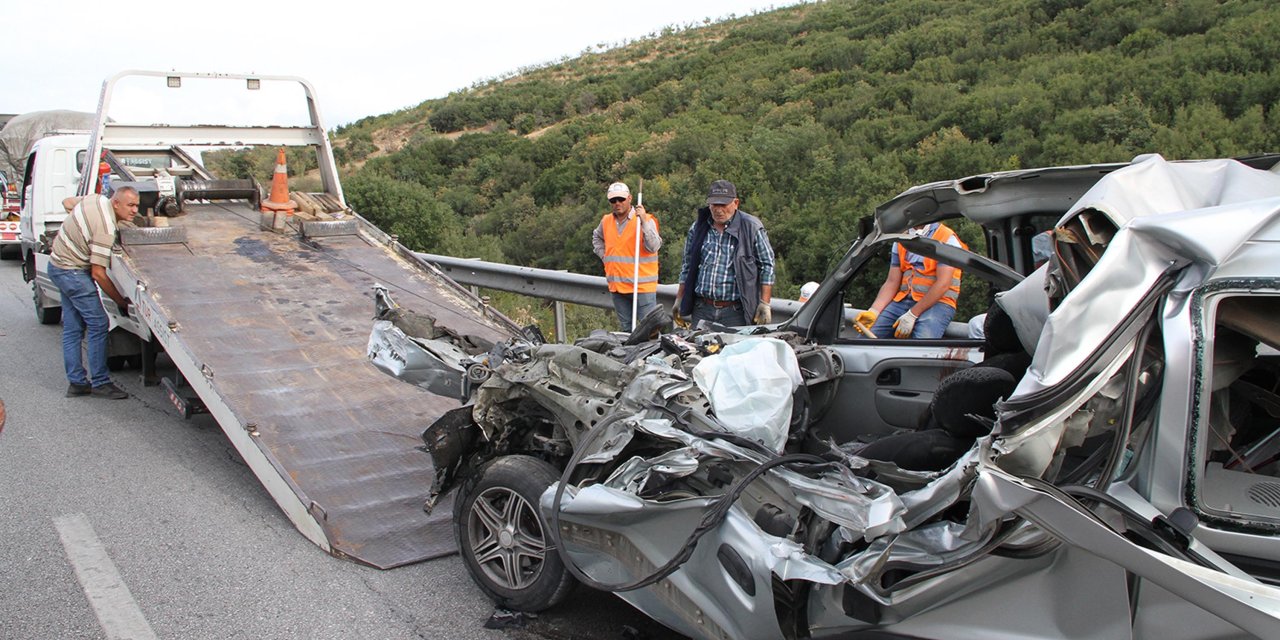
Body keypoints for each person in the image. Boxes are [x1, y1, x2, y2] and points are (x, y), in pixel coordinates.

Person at [49, 187, 139, 399]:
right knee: (99, 324)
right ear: (116, 203)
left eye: (137, 205)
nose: (135, 210)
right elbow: (98, 273)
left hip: (57, 265)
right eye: (130, 205)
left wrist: (80, 228)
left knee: (73, 328)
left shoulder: (95, 199)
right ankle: (100, 382)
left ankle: (77, 383)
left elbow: (68, 203)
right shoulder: (106, 228)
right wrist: (121, 301)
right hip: (72, 272)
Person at [674, 179, 776, 327]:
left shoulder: (751, 227)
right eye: (714, 205)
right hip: (702, 308)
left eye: (723, 205)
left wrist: (765, 303)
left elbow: (767, 265)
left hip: (735, 311)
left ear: (736, 203)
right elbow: (687, 266)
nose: (718, 210)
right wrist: (679, 299)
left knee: (733, 350)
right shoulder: (698, 228)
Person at [856, 222, 965, 339]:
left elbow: (943, 284)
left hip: (939, 303)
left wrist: (912, 314)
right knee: (866, 337)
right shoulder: (902, 238)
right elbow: (892, 282)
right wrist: (874, 311)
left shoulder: (946, 238)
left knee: (922, 343)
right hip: (903, 300)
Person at [592, 181, 661, 332]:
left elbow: (654, 246)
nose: (617, 203)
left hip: (642, 287)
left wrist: (643, 221)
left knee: (649, 333)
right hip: (617, 286)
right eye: (613, 200)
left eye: (621, 199)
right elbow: (596, 238)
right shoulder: (606, 221)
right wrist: (604, 256)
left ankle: (649, 356)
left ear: (629, 198)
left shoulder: (647, 220)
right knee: (626, 332)